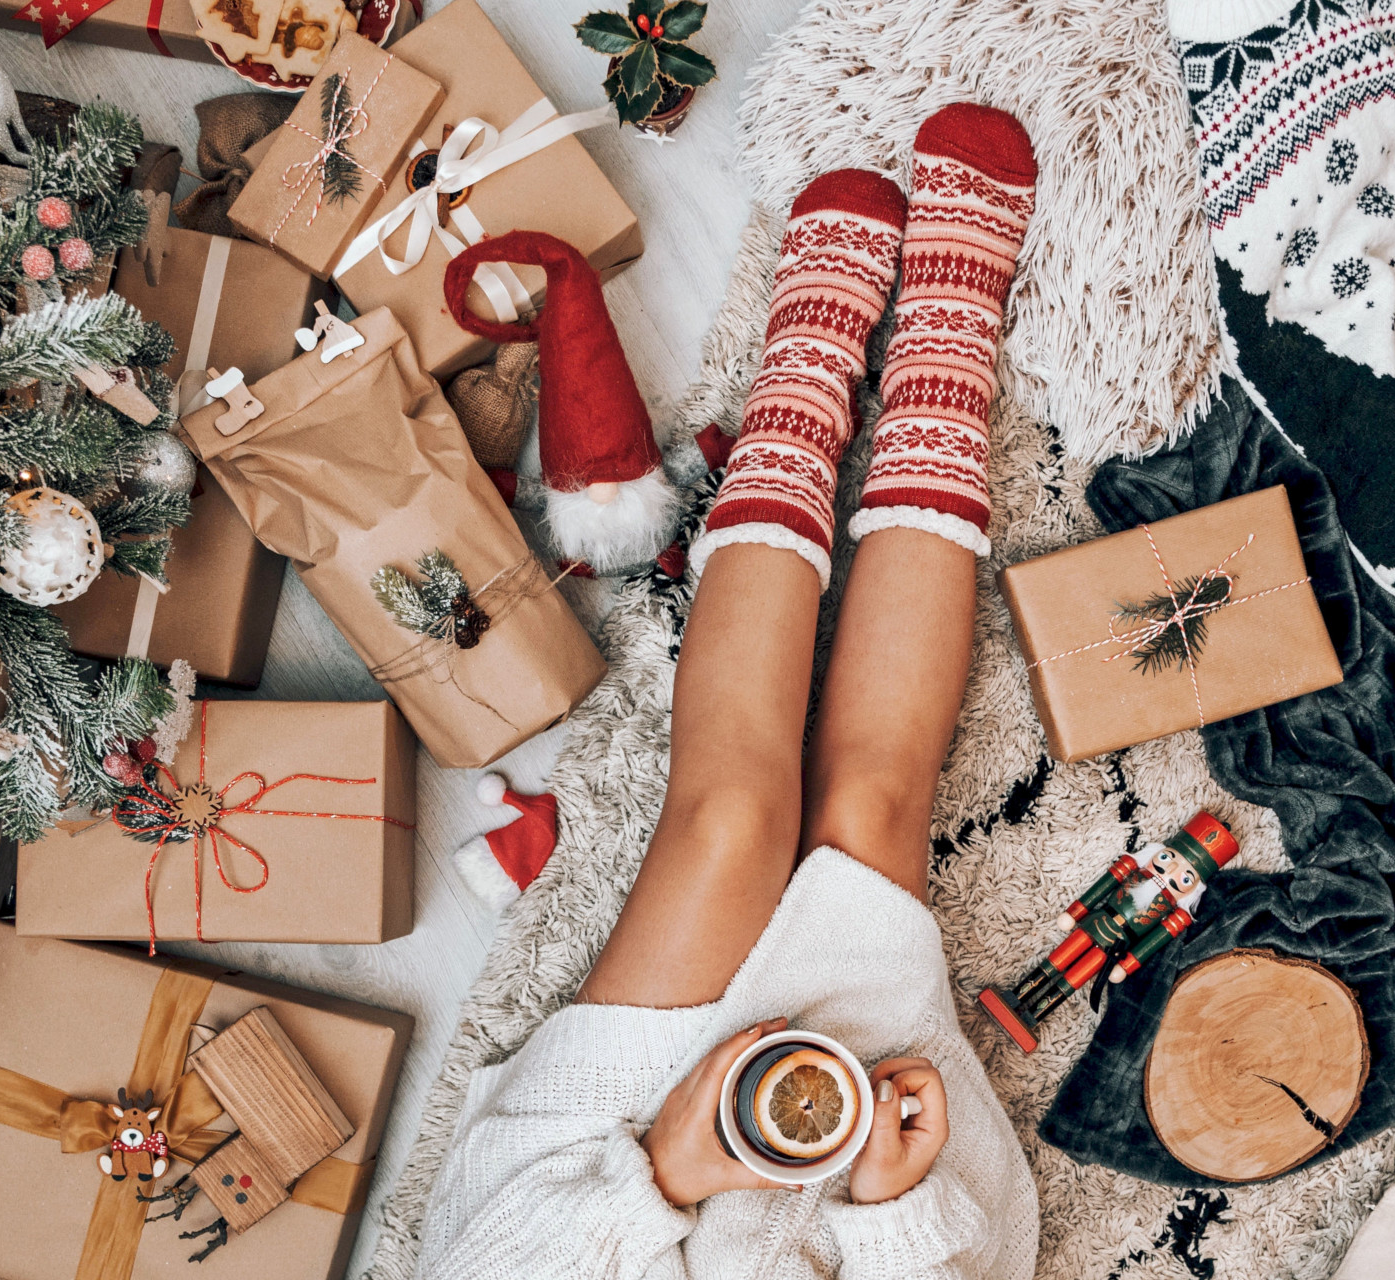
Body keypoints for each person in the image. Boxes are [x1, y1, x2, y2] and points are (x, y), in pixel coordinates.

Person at [417, 104, 1043, 1279]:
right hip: (842, 1222)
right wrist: (888, 1208)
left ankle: (805, 372)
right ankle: (950, 330)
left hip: (586, 1192)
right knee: (870, 813)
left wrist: (664, 1163)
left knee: (728, 821)